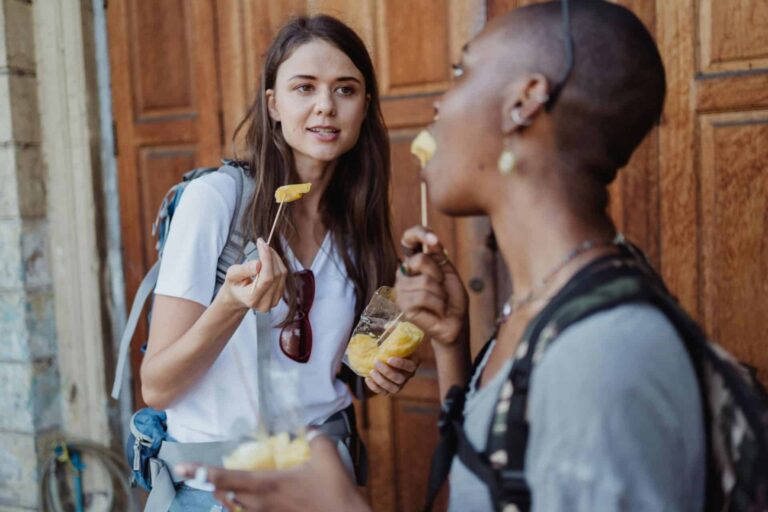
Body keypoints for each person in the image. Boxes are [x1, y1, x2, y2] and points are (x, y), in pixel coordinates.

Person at [176, 1, 706, 511]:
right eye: (304, 88)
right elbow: (479, 478)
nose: (437, 104)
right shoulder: (534, 311)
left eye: (461, 73)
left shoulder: (611, 347)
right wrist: (453, 346)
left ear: (524, 101)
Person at [141, 15, 419, 511]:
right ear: (273, 104)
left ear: (365, 107)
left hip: (323, 489)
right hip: (217, 493)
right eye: (304, 88)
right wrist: (231, 303)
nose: (325, 107)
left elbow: (343, 375)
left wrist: (384, 371)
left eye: (345, 90)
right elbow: (158, 386)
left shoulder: (359, 227)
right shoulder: (216, 202)